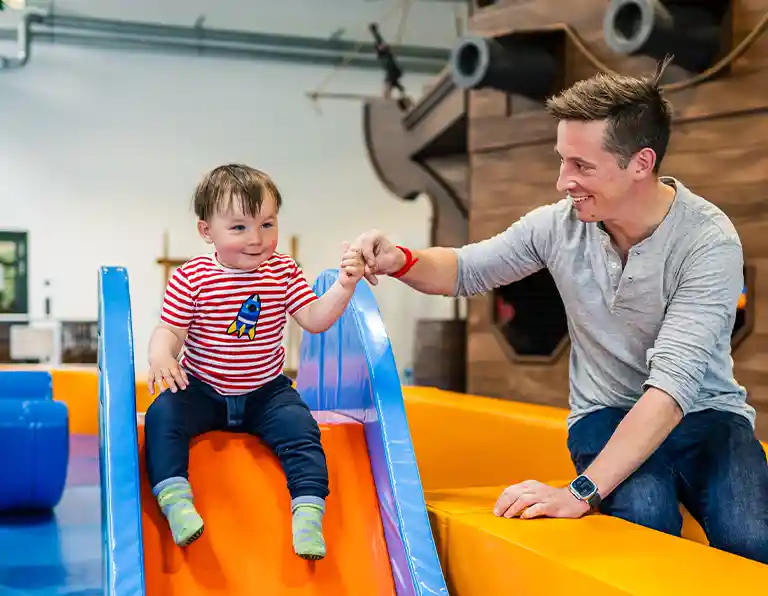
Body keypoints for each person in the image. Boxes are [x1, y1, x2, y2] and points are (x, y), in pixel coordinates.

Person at [349, 60, 768, 565]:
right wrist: (401, 260)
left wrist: (578, 493)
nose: (562, 181)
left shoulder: (707, 242)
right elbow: (465, 269)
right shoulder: (558, 226)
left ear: (640, 163)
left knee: (751, 541)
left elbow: (671, 392)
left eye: (582, 166)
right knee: (646, 523)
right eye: (562, 160)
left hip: (705, 413)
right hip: (606, 412)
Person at [144, 163, 365, 559]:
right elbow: (170, 330)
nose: (256, 239)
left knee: (302, 431)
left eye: (267, 224)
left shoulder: (282, 270)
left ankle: (309, 512)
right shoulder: (191, 277)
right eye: (239, 227)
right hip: (203, 388)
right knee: (163, 417)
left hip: (266, 391)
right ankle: (176, 500)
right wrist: (162, 354)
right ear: (206, 231)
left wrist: (344, 287)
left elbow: (314, 319)